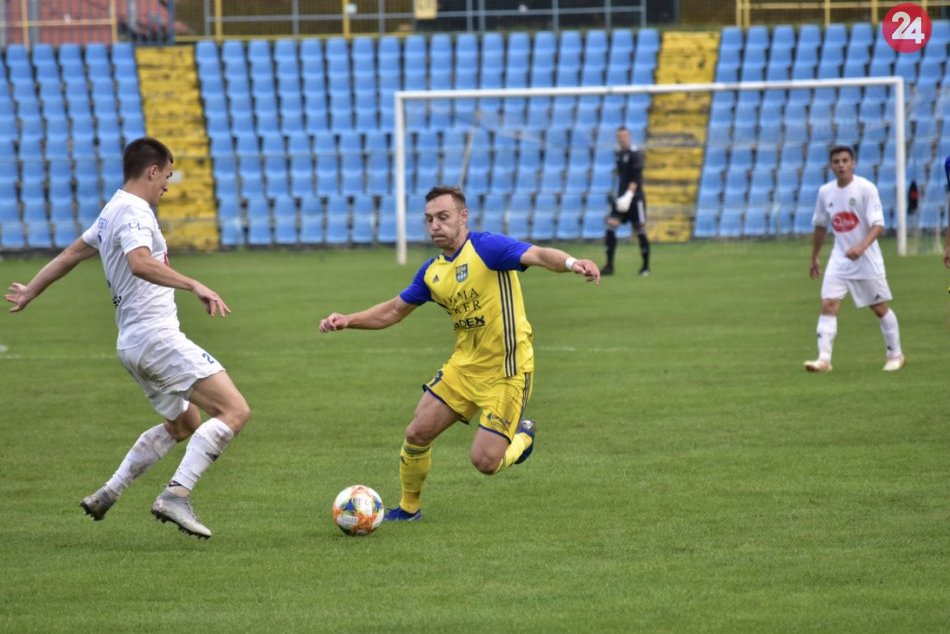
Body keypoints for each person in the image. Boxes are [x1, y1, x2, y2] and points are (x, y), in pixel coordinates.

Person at [5, 137, 250, 539]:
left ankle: (108, 493)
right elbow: (139, 263)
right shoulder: (135, 211)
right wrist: (194, 284)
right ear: (152, 171)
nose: (167, 185)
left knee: (184, 423)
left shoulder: (111, 210)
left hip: (132, 344)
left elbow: (70, 255)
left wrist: (32, 289)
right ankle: (176, 494)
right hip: (156, 338)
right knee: (235, 411)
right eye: (167, 175)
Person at [319, 185, 600, 521]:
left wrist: (572, 263)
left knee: (485, 462)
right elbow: (393, 311)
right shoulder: (432, 272)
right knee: (417, 433)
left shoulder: (487, 248)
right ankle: (409, 509)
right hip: (464, 368)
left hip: (507, 371)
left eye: (443, 217)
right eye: (429, 219)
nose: (435, 225)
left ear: (463, 216)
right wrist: (348, 320)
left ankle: (523, 437)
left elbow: (538, 255)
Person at [803, 144, 904, 373]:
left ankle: (896, 355)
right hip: (840, 259)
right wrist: (815, 257)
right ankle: (824, 360)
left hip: (866, 259)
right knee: (828, 304)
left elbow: (878, 225)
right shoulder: (825, 192)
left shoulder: (866, 189)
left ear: (853, 163)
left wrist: (861, 247)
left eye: (845, 161)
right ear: (831, 166)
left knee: (879, 307)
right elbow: (820, 226)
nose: (841, 165)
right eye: (836, 161)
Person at [603, 125, 650, 277]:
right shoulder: (618, 154)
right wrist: (620, 196)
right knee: (611, 225)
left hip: (635, 199)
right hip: (621, 197)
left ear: (629, 137)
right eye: (619, 136)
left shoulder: (635, 153)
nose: (622, 139)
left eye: (624, 136)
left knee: (639, 229)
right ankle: (609, 266)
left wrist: (628, 196)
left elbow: (636, 177)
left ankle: (645, 267)